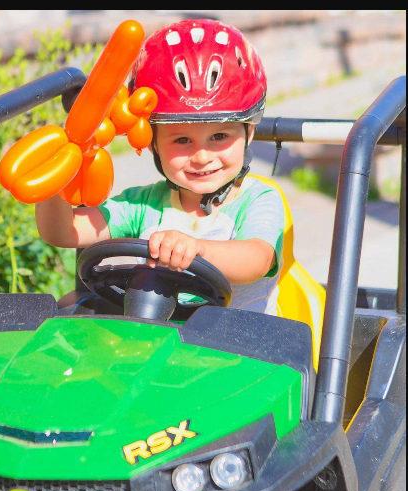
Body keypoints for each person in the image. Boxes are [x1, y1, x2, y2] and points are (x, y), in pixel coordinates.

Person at [36, 18, 285, 314]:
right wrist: (51, 186)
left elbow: (257, 259)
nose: (202, 156)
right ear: (153, 142)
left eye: (219, 136)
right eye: (182, 140)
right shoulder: (144, 205)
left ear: (249, 132)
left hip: (241, 348)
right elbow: (65, 232)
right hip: (154, 343)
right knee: (70, 309)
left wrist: (197, 249)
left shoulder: (257, 200)